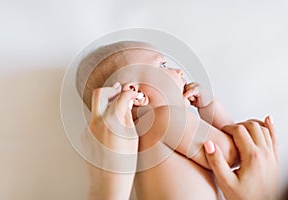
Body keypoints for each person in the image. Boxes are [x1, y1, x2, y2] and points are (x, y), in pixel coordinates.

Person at [76, 41, 279, 199]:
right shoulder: (163, 118)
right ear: (136, 93)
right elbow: (232, 155)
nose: (179, 71)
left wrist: (207, 108)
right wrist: (213, 108)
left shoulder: (137, 144)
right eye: (163, 65)